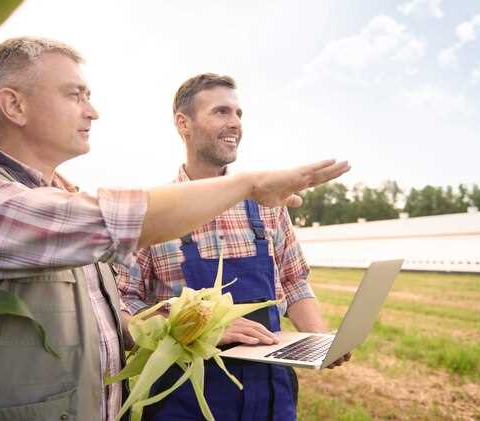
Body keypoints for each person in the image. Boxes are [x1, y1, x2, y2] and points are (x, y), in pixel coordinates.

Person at [0, 38, 349, 421]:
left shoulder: (60, 198)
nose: (93, 111)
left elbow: (108, 323)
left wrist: (181, 324)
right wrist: (249, 185)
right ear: (15, 105)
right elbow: (111, 224)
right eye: (75, 95)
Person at [117, 73, 351, 421]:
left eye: (239, 114)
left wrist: (319, 340)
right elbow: (121, 305)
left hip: (270, 394)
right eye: (221, 112)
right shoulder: (154, 211)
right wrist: (201, 329)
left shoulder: (270, 205)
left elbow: (294, 282)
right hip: (185, 398)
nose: (235, 123)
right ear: (184, 123)